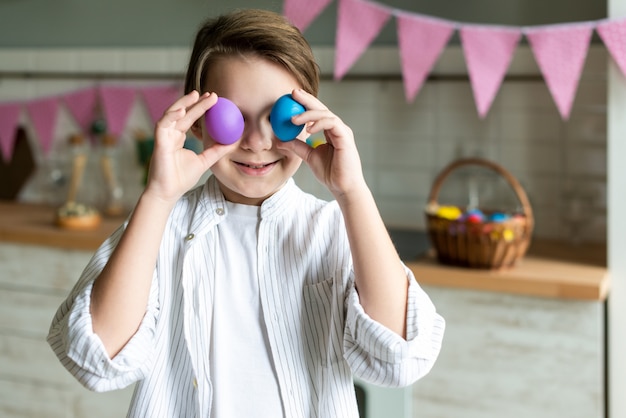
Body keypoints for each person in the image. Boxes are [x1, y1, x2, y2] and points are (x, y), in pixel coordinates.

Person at [47, 8, 445, 418]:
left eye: (279, 119)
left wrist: (352, 192)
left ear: (309, 122)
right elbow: (93, 362)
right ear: (196, 124)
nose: (256, 142)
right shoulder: (158, 227)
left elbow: (400, 360)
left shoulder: (333, 228)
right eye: (232, 119)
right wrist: (158, 196)